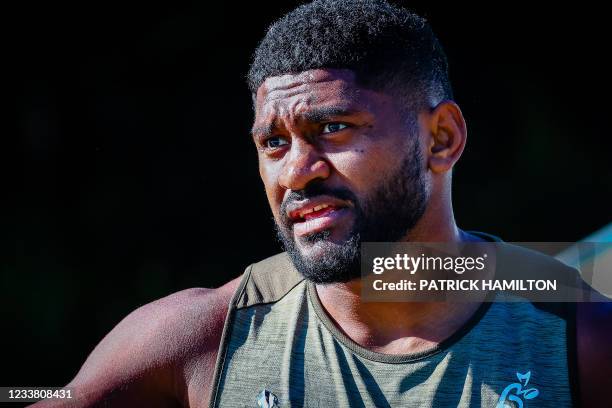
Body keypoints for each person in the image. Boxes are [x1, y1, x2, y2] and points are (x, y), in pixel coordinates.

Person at [32, 0, 611, 407]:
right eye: (273, 143)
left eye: (333, 128)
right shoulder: (198, 338)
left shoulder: (577, 337)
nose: (297, 172)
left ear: (442, 139)